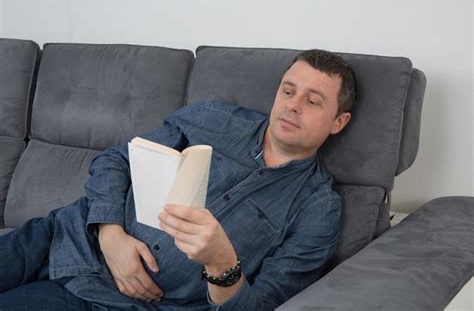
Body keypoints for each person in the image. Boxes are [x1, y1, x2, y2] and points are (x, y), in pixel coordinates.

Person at [0, 49, 356, 310]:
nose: (293, 105)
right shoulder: (211, 118)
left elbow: (261, 305)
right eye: (288, 90)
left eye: (313, 101)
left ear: (338, 121)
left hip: (113, 301)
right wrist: (110, 233)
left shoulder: (317, 209)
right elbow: (115, 160)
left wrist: (221, 264)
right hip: (67, 234)